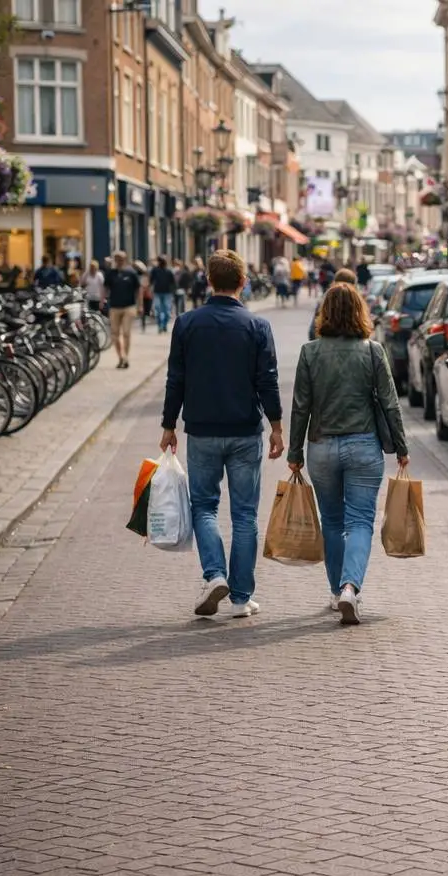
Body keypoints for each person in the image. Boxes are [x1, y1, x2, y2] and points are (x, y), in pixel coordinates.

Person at [159, 249, 284, 619]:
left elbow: (175, 379)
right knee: (245, 514)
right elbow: (268, 381)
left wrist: (169, 424)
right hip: (246, 430)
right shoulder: (257, 327)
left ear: (209, 281)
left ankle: (214, 574)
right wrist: (276, 426)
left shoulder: (186, 324)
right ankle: (241, 597)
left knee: (204, 507)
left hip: (202, 430)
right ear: (243, 283)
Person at [287, 283, 409, 625]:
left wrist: (294, 451)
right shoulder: (372, 351)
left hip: (322, 446)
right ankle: (350, 588)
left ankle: (336, 590)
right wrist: (401, 446)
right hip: (363, 446)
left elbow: (301, 407)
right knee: (359, 521)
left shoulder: (310, 352)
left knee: (332, 522)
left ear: (325, 314)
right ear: (360, 313)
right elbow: (390, 403)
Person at [103, 252, 141, 369]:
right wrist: (102, 299)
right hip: (114, 307)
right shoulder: (111, 274)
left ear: (125, 260)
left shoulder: (131, 273)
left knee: (126, 333)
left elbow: (138, 290)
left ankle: (126, 357)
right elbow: (105, 288)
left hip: (129, 307)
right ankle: (120, 357)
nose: (119, 261)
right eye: (117, 259)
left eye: (121, 259)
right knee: (114, 334)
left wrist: (140, 305)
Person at [310, 268, 358, 339]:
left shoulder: (324, 300)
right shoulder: (358, 301)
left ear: (334, 282)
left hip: (325, 345)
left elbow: (312, 332)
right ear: (354, 285)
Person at [150, 256, 177, 333]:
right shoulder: (155, 270)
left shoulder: (169, 271)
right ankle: (160, 326)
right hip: (158, 292)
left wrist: (173, 292)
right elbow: (151, 281)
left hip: (167, 293)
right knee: (158, 310)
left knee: (166, 311)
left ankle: (164, 325)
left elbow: (173, 283)